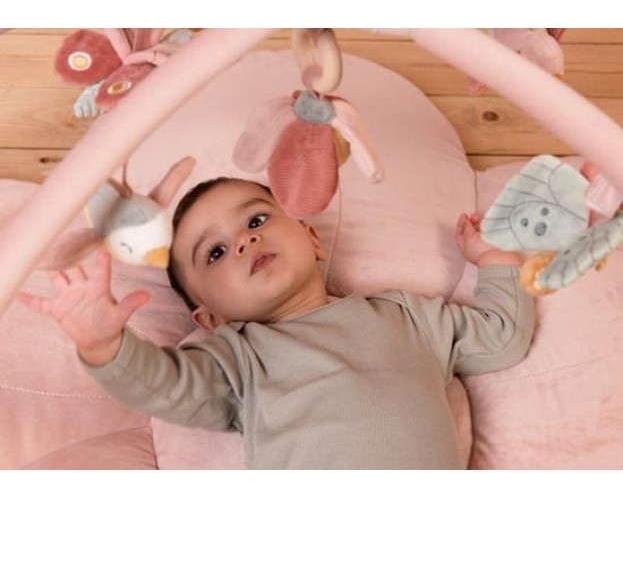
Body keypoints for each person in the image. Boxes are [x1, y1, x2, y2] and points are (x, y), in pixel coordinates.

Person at [19, 177, 535, 469]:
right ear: (210, 317)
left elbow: (500, 335)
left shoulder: (405, 316)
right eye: (215, 253)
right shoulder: (237, 358)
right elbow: (167, 386)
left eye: (257, 219)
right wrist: (105, 346)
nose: (245, 240)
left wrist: (494, 259)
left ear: (312, 238)